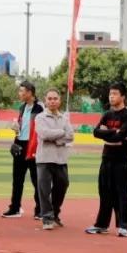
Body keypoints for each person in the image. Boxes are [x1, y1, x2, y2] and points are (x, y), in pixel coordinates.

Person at [86, 82, 127, 236]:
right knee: (104, 192)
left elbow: (121, 136)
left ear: (123, 96)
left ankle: (123, 225)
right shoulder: (107, 114)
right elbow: (95, 132)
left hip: (121, 159)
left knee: (122, 193)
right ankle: (101, 224)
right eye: (110, 94)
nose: (111, 96)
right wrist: (113, 133)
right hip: (106, 158)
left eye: (115, 94)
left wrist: (108, 132)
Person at [36, 89, 76, 231]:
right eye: (50, 98)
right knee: (44, 190)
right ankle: (47, 218)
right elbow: (44, 134)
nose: (52, 101)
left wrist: (58, 139)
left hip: (60, 158)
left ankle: (55, 213)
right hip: (44, 158)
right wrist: (61, 133)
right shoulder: (40, 118)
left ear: (59, 100)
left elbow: (71, 136)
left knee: (63, 184)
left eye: (55, 98)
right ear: (45, 100)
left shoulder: (64, 119)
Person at [2, 82, 43, 218]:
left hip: (33, 147)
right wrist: (16, 128)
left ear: (30, 92)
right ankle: (15, 208)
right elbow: (23, 126)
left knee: (36, 180)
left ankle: (40, 210)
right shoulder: (22, 107)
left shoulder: (40, 109)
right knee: (17, 179)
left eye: (21, 91)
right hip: (20, 144)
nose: (19, 94)